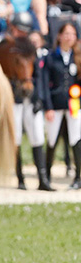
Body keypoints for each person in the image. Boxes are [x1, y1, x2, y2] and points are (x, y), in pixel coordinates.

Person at [0, 12, 52, 191]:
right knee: (17, 138)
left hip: (31, 95)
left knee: (37, 136)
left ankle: (43, 179)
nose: (22, 33)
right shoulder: (6, 47)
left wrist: (40, 99)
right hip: (14, 96)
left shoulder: (30, 47)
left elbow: (39, 75)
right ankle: (20, 178)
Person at [41, 23, 80, 189]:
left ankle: (78, 177)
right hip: (55, 105)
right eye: (66, 33)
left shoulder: (78, 57)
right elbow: (44, 84)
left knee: (76, 138)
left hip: (74, 105)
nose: (69, 37)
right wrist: (48, 107)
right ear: (59, 36)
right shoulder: (50, 57)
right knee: (52, 139)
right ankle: (46, 176)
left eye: (72, 34)